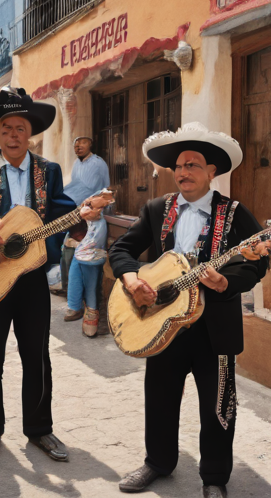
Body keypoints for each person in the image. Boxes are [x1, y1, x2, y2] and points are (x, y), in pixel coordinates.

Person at [109, 122, 270, 498]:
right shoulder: (155, 209)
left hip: (216, 327)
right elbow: (121, 250)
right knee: (160, 397)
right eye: (179, 165)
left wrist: (227, 282)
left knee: (217, 404)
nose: (183, 172)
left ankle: (214, 477)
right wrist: (132, 280)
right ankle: (157, 462)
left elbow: (256, 263)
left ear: (212, 172)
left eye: (193, 164)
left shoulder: (233, 212)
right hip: (163, 325)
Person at [0, 86, 100, 462]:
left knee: (36, 355)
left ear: (32, 134)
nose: (14, 135)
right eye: (7, 128)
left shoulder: (49, 171)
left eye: (21, 128)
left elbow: (61, 213)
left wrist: (83, 215)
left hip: (30, 278)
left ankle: (40, 430)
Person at [58, 137, 110, 295]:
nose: (78, 146)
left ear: (91, 144)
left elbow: (97, 189)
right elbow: (76, 186)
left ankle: (84, 294)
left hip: (92, 213)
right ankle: (68, 288)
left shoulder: (98, 163)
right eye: (75, 144)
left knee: (85, 255)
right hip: (77, 212)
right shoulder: (76, 164)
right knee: (67, 249)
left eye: (83, 143)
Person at [65, 213, 108, 337]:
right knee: (80, 258)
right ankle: (89, 307)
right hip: (87, 238)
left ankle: (85, 307)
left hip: (94, 245)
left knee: (87, 261)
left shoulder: (98, 218)